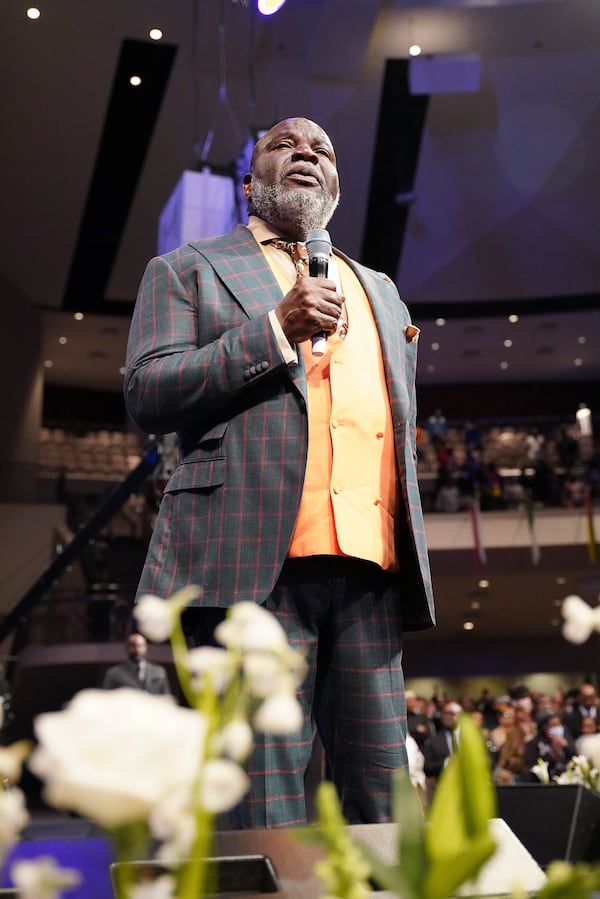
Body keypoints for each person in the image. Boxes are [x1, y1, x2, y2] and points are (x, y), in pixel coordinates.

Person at [124, 116, 435, 828]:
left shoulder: (380, 289)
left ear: (334, 184)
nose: (307, 152)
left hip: (368, 564)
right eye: (284, 144)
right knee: (263, 807)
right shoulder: (188, 267)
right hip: (248, 565)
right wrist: (273, 330)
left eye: (323, 148)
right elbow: (148, 390)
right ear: (248, 181)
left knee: (390, 804)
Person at [102, 633, 172, 695]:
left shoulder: (159, 672)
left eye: (140, 646)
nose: (137, 649)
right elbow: (107, 700)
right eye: (133, 646)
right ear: (127, 648)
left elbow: (166, 697)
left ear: (145, 647)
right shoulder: (114, 674)